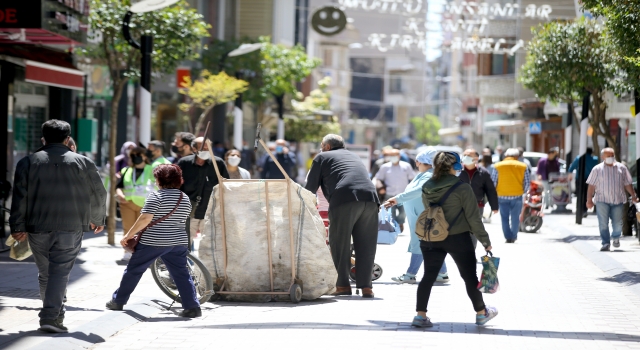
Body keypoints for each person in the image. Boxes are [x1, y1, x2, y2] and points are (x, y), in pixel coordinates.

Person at [10, 120, 106, 333]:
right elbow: (99, 193)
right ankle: (51, 317)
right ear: (67, 139)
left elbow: (19, 197)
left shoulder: (28, 162)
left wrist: (17, 225)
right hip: (71, 226)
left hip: (37, 226)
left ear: (43, 138)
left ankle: (54, 314)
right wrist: (98, 218)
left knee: (47, 273)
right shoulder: (83, 162)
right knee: (59, 272)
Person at [412, 151, 497, 328]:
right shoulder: (463, 187)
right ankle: (481, 313)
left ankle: (420, 316)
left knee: (428, 276)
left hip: (432, 237)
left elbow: (430, 210)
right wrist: (485, 241)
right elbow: (474, 219)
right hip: (458, 238)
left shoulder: (427, 185)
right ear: (456, 166)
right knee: (469, 277)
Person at [107, 164, 201, 318]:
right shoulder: (184, 198)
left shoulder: (156, 196)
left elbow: (145, 219)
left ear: (160, 180)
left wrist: (128, 235)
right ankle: (192, 307)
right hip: (178, 242)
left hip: (153, 242)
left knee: (134, 270)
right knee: (181, 274)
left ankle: (118, 301)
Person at [305, 134, 379, 298]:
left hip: (344, 199)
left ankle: (342, 285)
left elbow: (310, 187)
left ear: (327, 146)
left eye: (321, 145)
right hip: (371, 199)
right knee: (366, 244)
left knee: (340, 243)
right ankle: (366, 287)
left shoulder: (322, 157)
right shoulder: (354, 156)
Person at [384, 148, 439, 284]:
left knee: (420, 243)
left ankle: (410, 274)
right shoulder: (426, 174)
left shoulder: (428, 176)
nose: (416, 164)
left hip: (422, 216)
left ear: (422, 162)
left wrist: (397, 199)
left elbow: (419, 190)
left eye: (417, 161)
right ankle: (442, 273)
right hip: (421, 214)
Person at [178, 137, 229, 251]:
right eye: (202, 146)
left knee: (210, 244)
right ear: (194, 148)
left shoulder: (218, 163)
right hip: (189, 211)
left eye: (208, 146)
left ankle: (204, 268)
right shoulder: (184, 163)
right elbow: (177, 186)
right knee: (184, 243)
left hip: (210, 210)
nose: (206, 148)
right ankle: (186, 266)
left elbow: (225, 185)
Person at [586, 148, 638, 251]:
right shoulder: (597, 169)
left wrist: (633, 195)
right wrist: (589, 200)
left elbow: (628, 183)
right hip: (602, 200)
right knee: (603, 223)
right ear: (602, 157)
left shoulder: (622, 168)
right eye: (608, 155)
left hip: (617, 200)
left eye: (612, 155)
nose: (610, 157)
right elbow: (591, 186)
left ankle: (616, 237)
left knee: (618, 223)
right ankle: (605, 243)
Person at [116, 147, 154, 261]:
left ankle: (144, 253)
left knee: (144, 229)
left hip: (146, 204)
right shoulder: (126, 170)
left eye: (139, 155)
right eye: (133, 155)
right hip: (127, 203)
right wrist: (120, 195)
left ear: (145, 156)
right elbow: (119, 186)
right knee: (128, 228)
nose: (136, 158)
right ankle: (127, 251)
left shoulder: (152, 170)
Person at [458, 148, 499, 246]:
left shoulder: (483, 172)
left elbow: (490, 190)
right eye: (464, 155)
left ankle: (471, 254)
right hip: (459, 206)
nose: (465, 157)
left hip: (477, 206)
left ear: (476, 158)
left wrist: (494, 206)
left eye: (468, 155)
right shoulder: (457, 171)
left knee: (473, 231)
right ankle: (463, 254)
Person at [491, 148, 530, 243]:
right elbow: (527, 182)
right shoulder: (523, 166)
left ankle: (507, 237)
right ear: (517, 156)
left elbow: (494, 181)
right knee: (515, 217)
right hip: (517, 195)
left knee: (504, 217)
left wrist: (494, 193)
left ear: (505, 156)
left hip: (502, 195)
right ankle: (514, 236)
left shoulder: (498, 166)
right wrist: (523, 191)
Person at [373, 149, 415, 232]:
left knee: (403, 212)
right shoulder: (384, 167)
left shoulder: (406, 166)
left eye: (395, 156)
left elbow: (412, 178)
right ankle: (393, 226)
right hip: (389, 194)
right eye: (391, 156)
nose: (393, 158)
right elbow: (378, 178)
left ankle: (400, 223)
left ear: (399, 156)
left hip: (403, 194)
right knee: (391, 213)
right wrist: (380, 188)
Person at [569, 147, 599, 216]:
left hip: (579, 179)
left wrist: (570, 174)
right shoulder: (595, 159)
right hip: (591, 180)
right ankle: (585, 210)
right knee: (587, 195)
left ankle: (579, 209)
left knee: (579, 195)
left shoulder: (578, 158)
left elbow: (571, 168)